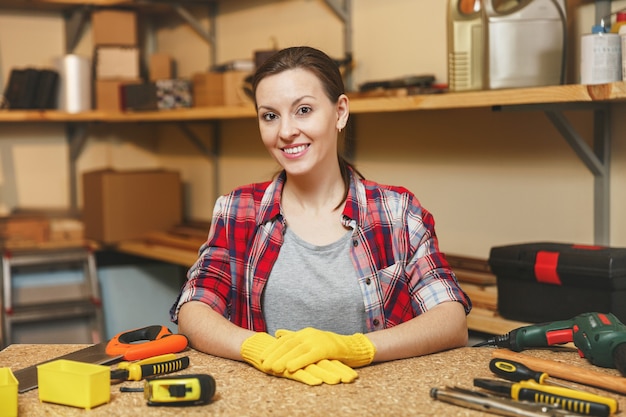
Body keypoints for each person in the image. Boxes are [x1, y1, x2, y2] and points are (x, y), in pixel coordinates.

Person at [170, 46, 472, 386]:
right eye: (270, 116)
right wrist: (252, 346)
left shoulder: (397, 212)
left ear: (340, 112)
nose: (286, 131)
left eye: (303, 110)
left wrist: (355, 348)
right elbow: (193, 309)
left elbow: (451, 320)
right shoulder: (238, 210)